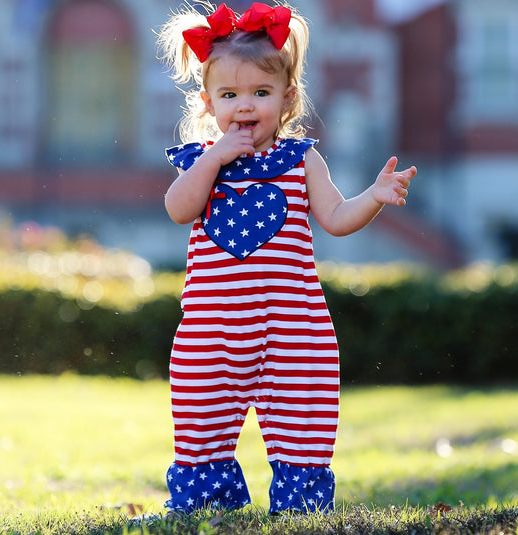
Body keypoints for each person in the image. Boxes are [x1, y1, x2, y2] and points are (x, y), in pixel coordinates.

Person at [157, 1, 416, 516]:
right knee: (200, 413)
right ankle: (206, 504)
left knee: (304, 418)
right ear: (208, 103)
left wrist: (374, 195)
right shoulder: (201, 163)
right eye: (230, 95)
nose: (245, 106)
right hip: (213, 330)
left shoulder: (300, 160)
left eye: (260, 92)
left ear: (288, 98)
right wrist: (214, 158)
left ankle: (300, 507)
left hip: (293, 329)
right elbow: (177, 209)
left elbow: (337, 217)